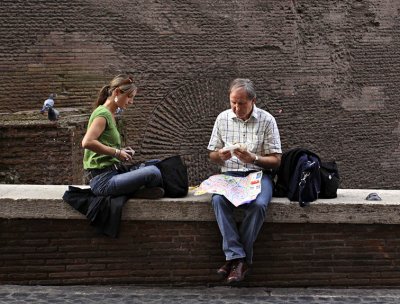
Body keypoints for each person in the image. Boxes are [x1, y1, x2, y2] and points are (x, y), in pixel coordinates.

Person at [207, 78, 282, 283]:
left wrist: (254, 158)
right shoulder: (223, 118)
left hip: (258, 175)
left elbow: (276, 160)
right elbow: (211, 154)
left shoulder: (267, 120)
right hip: (230, 174)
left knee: (258, 206)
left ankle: (235, 260)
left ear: (253, 101)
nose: (236, 107)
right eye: (233, 102)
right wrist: (220, 156)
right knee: (218, 201)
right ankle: (239, 258)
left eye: (241, 103)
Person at [82, 74, 164, 199]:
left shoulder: (110, 114)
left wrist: (122, 152)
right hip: (102, 181)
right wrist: (116, 153)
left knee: (158, 164)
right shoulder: (102, 114)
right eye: (129, 97)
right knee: (153, 172)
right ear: (117, 92)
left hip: (114, 172)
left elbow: (104, 145)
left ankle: (132, 191)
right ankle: (134, 192)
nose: (131, 102)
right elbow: (87, 142)